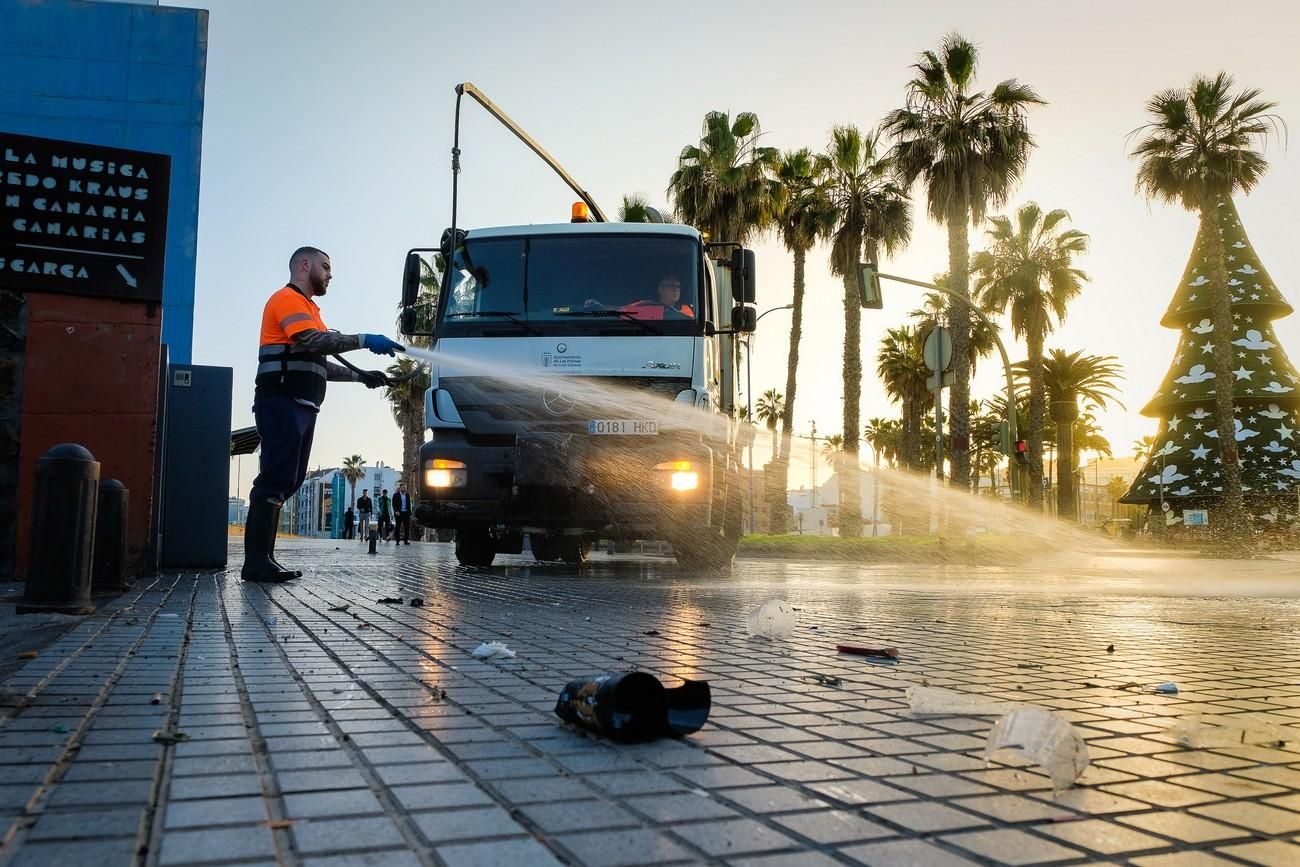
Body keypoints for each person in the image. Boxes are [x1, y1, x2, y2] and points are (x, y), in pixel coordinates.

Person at [241, 246, 403, 582]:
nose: (330, 274)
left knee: (289, 480)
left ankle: (265, 559)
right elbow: (313, 341)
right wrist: (363, 339)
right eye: (325, 267)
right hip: (281, 401)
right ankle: (255, 563)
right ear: (304, 265)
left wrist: (362, 376)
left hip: (302, 405)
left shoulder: (311, 309)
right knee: (274, 479)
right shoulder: (286, 300)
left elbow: (318, 361)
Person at [621, 275, 694, 320]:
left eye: (678, 286)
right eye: (671, 286)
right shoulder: (645, 306)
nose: (676, 289)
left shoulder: (687, 310)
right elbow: (622, 312)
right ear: (660, 289)